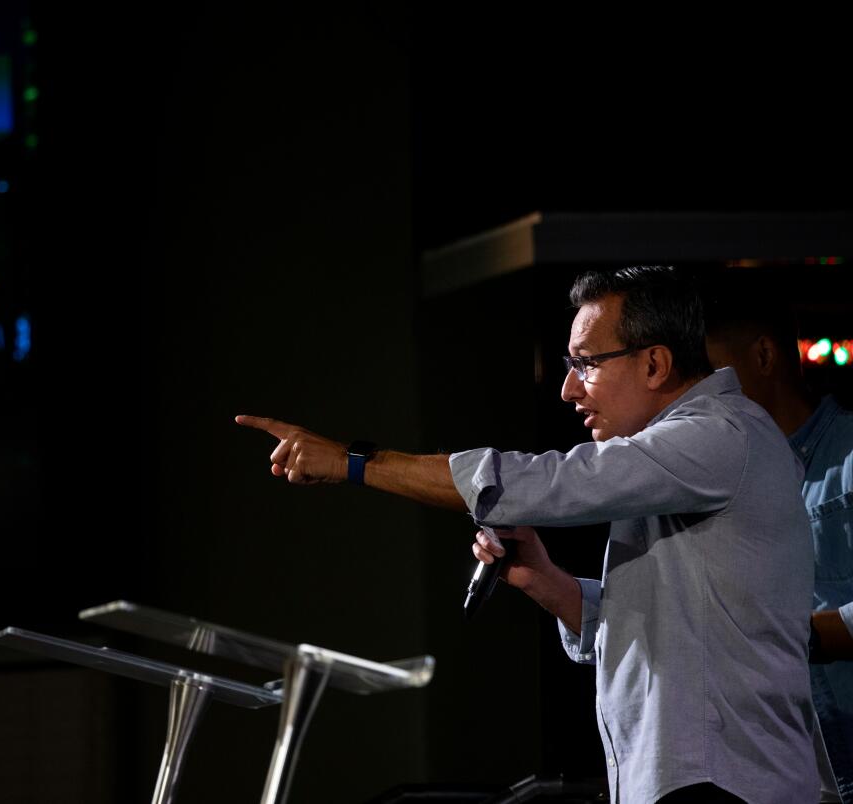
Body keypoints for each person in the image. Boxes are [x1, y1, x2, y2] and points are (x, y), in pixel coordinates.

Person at [238, 266, 818, 803]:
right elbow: (671, 631)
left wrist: (354, 461)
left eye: (586, 363)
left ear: (654, 364)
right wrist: (549, 583)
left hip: (729, 787)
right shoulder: (681, 459)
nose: (568, 390)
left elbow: (556, 483)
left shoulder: (718, 436)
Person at [706, 291, 853, 803]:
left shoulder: (849, 457)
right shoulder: (724, 483)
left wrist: (786, 635)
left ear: (764, 356)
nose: (705, 397)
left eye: (714, 374)